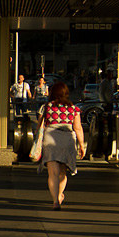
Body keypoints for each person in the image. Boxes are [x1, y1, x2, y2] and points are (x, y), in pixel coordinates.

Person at [37, 81, 85, 209]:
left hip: (50, 138)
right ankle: (59, 195)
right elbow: (78, 128)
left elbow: (39, 127)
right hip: (67, 138)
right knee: (63, 172)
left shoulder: (46, 107)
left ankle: (55, 201)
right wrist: (82, 145)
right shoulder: (74, 109)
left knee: (53, 172)